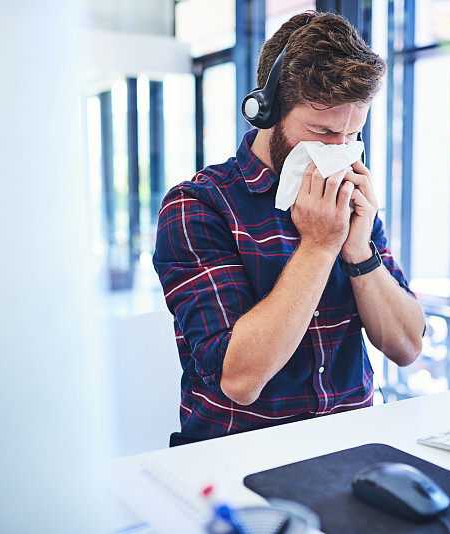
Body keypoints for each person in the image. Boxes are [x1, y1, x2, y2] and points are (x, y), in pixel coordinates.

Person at [153, 11, 426, 446]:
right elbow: (240, 379)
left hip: (350, 445)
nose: (338, 152)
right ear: (266, 112)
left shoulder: (349, 194)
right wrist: (319, 247)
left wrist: (359, 252)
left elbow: (408, 347)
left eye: (352, 133)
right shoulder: (198, 206)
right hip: (240, 455)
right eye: (321, 131)